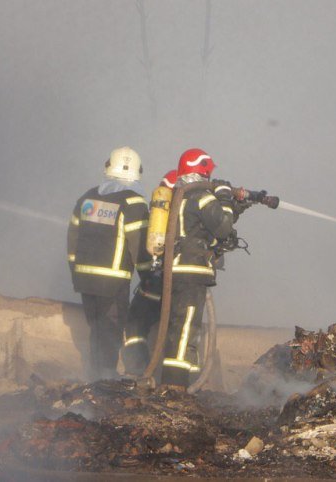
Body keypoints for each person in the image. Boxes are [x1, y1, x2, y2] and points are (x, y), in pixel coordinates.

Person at [160, 148, 243, 389]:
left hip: (173, 270)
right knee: (185, 327)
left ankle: (182, 382)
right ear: (204, 170)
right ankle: (173, 387)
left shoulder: (178, 196)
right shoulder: (203, 198)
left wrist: (235, 207)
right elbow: (224, 228)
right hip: (191, 270)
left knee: (178, 325)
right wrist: (226, 199)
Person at [67, 147, 149, 380]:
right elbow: (139, 246)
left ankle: (95, 377)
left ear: (108, 167)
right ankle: (105, 380)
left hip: (84, 279)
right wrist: (149, 277)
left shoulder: (87, 197)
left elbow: (72, 238)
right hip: (112, 281)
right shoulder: (133, 202)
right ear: (138, 172)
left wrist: (75, 270)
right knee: (110, 329)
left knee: (96, 328)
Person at [122, 169, 177, 376]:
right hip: (181, 291)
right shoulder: (195, 217)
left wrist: (146, 278)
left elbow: (146, 250)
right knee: (182, 332)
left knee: (135, 324)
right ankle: (181, 380)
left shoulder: (159, 215)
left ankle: (137, 372)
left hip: (154, 285)